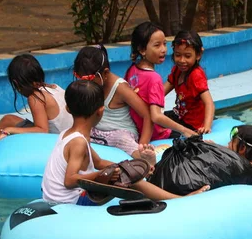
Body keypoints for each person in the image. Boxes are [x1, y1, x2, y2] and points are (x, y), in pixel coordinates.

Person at [41, 80, 209, 205]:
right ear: (101, 111)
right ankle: (180, 200)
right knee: (132, 182)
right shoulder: (78, 142)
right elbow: (69, 180)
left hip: (53, 197)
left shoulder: (69, 134)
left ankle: (149, 180)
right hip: (69, 202)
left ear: (68, 109)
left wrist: (129, 166)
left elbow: (98, 162)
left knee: (127, 174)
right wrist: (102, 175)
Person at [73, 45, 155, 164]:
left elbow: (147, 115)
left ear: (105, 73)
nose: (85, 85)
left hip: (120, 132)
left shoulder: (120, 88)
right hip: (97, 132)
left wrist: (142, 145)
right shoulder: (88, 86)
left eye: (89, 80)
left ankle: (146, 161)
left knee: (121, 139)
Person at [125, 22, 197, 140]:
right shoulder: (154, 78)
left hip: (138, 130)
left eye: (165, 44)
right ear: (142, 50)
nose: (163, 49)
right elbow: (156, 116)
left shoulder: (132, 70)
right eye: (157, 45)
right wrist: (185, 131)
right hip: (158, 134)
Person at [164, 31, 215, 134]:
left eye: (187, 56)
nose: (182, 60)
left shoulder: (196, 76)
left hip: (192, 125)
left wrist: (206, 127)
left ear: (198, 54)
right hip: (180, 116)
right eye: (178, 55)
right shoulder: (177, 71)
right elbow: (161, 92)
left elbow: (209, 103)